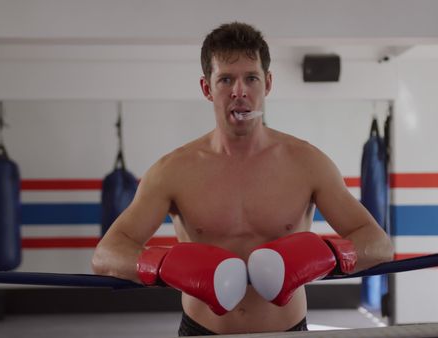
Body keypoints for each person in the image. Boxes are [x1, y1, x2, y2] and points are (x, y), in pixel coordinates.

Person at [92, 22, 394, 336]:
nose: (240, 92)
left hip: (286, 329)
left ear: (268, 83)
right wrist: (165, 264)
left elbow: (379, 245)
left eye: (251, 78)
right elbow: (106, 255)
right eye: (225, 80)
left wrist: (324, 256)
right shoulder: (173, 171)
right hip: (203, 330)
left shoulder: (308, 164)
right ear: (207, 88)